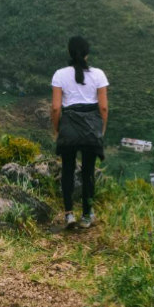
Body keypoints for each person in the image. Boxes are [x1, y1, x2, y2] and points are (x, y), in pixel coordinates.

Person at [50, 35, 108, 229]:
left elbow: (56, 108)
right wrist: (102, 128)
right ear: (87, 54)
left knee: (67, 170)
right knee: (88, 171)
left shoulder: (59, 74)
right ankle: (87, 214)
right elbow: (103, 108)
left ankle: (68, 215)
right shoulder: (99, 75)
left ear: (69, 52)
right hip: (91, 126)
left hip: (69, 125)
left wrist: (57, 129)